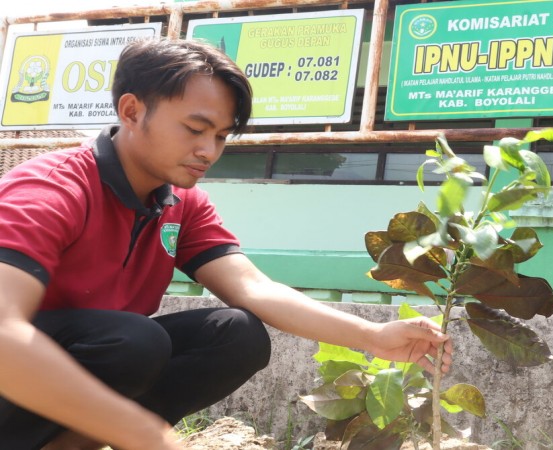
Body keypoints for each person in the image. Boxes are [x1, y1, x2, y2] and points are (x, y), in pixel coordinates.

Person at [0, 38, 452, 450]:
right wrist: (142, 432)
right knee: (134, 341)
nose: (209, 151)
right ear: (132, 111)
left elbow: (253, 288)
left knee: (235, 334)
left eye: (220, 136)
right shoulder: (51, 189)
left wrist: (373, 336)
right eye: (194, 129)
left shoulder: (182, 203)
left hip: (75, 384)